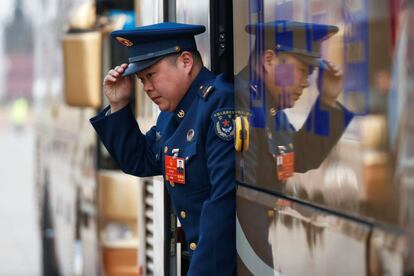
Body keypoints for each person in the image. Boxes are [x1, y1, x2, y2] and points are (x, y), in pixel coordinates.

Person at [90, 22, 236, 275]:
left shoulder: (219, 103)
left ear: (186, 62)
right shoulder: (172, 113)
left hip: (219, 261)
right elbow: (140, 160)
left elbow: (222, 202)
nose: (146, 87)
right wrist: (118, 105)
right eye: (140, 79)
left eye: (151, 75)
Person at [235, 20, 354, 191]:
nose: (306, 83)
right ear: (268, 60)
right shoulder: (240, 101)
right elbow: (245, 195)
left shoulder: (269, 107)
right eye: (303, 71)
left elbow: (304, 154)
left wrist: (327, 100)